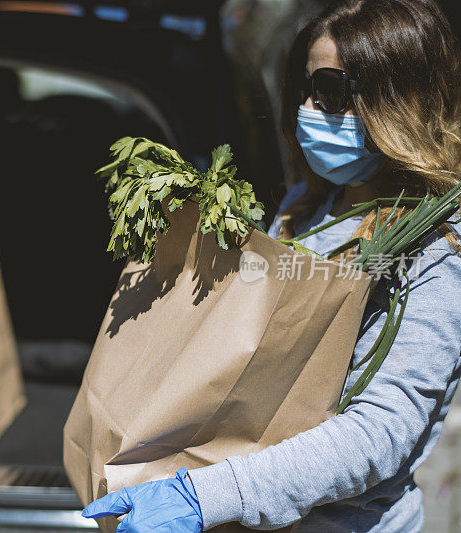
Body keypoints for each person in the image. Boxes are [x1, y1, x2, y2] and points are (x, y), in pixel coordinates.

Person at [81, 0, 461, 531]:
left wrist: (207, 496)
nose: (307, 105)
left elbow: (379, 432)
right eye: (302, 86)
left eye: (328, 89)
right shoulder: (306, 206)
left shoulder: (436, 249)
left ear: (398, 99)